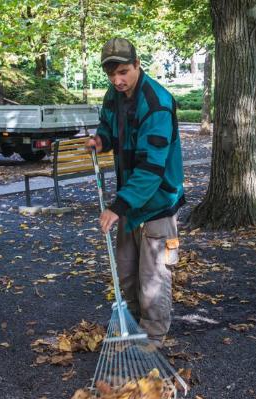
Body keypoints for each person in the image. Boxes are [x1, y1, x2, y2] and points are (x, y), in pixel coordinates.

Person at [87, 38, 185, 348]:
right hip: (130, 199)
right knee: (127, 272)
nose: (118, 80)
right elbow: (108, 125)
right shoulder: (113, 96)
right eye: (111, 74)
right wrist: (101, 141)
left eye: (124, 72)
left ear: (138, 65)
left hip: (157, 200)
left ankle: (152, 337)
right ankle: (130, 326)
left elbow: (151, 169)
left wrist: (117, 207)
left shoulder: (156, 103)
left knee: (153, 276)